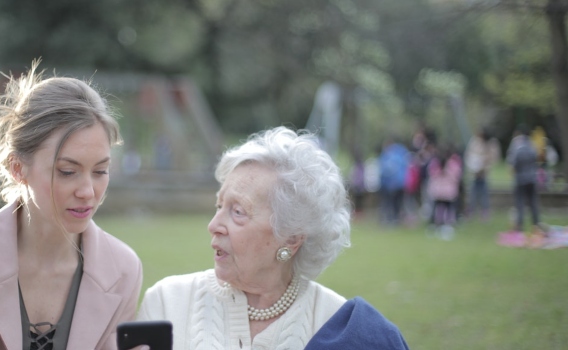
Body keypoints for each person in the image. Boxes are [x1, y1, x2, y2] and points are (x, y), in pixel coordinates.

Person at [0, 61, 143, 350]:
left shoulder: (123, 269)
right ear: (17, 168)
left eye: (100, 171)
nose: (88, 192)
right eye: (67, 171)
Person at [136, 127, 408, 349]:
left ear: (291, 238)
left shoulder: (340, 327)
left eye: (238, 211)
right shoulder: (166, 302)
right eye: (219, 206)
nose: (214, 225)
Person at [506, 125, 542, 234]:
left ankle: (519, 225)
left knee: (520, 203)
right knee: (533, 202)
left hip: (520, 179)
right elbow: (537, 159)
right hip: (532, 178)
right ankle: (536, 224)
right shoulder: (532, 145)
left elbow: (513, 162)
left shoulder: (517, 146)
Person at [427, 145, 463, 239]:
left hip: (441, 192)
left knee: (442, 209)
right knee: (444, 209)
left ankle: (443, 225)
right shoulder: (451, 164)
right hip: (446, 192)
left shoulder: (438, 164)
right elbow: (457, 177)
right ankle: (442, 225)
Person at [465, 127, 500, 220]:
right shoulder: (475, 142)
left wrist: (484, 162)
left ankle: (485, 212)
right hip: (474, 172)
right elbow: (469, 155)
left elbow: (494, 157)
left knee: (484, 193)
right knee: (473, 192)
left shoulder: (491, 143)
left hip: (484, 172)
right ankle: (471, 210)